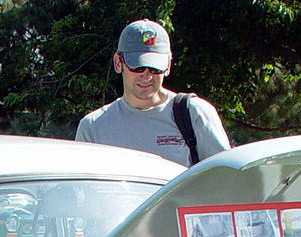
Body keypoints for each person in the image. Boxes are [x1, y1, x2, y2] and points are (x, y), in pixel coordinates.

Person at [75, 19, 230, 167]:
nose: (147, 76)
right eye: (138, 67)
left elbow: (225, 178)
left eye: (155, 68)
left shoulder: (193, 114)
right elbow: (82, 189)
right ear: (118, 63)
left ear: (168, 66)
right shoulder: (93, 127)